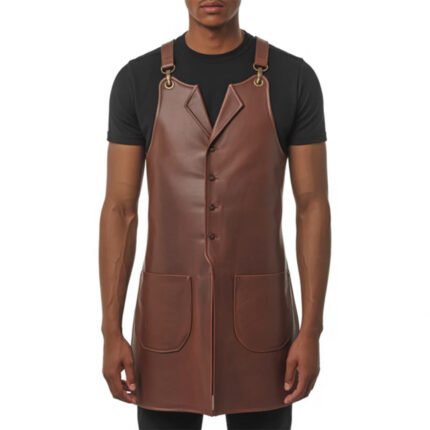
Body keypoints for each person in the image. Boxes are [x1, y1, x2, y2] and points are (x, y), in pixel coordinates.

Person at [99, 1, 331, 429]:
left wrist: (311, 330)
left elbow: (313, 206)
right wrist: (110, 330)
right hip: (165, 323)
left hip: (264, 325)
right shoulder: (137, 80)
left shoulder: (294, 78)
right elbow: (119, 209)